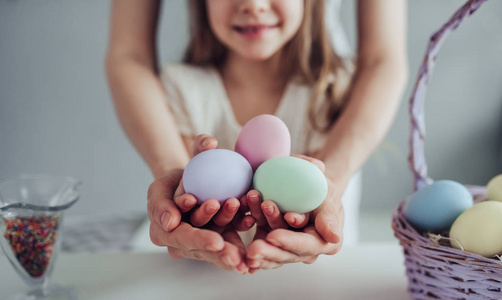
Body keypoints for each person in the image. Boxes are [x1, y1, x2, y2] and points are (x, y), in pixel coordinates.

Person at [105, 0, 408, 275]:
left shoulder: (329, 93)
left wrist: (330, 184)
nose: (253, 5)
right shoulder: (184, 87)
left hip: (313, 279)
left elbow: (384, 59)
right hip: (195, 275)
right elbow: (128, 54)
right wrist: (174, 174)